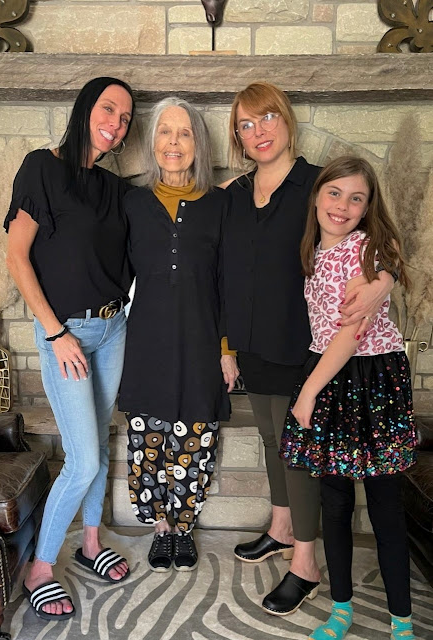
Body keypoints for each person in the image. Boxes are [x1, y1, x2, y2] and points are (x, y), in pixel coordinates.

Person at [222, 82, 396, 614]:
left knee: (296, 452)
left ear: (286, 119)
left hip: (301, 344)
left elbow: (379, 236)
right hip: (251, 343)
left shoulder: (316, 184)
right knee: (271, 439)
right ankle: (280, 529)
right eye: (246, 125)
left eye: (267, 118)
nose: (258, 132)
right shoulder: (235, 193)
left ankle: (305, 564)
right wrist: (225, 346)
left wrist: (384, 280)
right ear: (237, 136)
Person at [4, 77, 135, 621]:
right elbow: (17, 256)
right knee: (83, 460)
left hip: (113, 329)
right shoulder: (42, 167)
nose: (116, 123)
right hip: (67, 335)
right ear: (85, 108)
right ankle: (40, 568)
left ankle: (90, 542)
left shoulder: (116, 189)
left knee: (98, 444)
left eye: (126, 118)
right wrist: (56, 334)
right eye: (109, 109)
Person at [280, 155, 417, 640]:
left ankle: (402, 620)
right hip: (328, 373)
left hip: (370, 379)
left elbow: (351, 333)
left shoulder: (366, 252)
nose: (342, 206)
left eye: (356, 198)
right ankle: (341, 607)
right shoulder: (314, 250)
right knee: (333, 502)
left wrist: (307, 394)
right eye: (334, 193)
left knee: (384, 506)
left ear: (367, 207)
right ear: (317, 196)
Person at [119, 97, 239, 573]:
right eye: (165, 132)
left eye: (184, 133)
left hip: (202, 340)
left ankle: (184, 527)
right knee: (147, 439)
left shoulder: (220, 205)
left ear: (198, 144)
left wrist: (227, 350)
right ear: (152, 143)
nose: (174, 142)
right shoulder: (131, 203)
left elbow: (228, 281)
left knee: (195, 438)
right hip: (145, 342)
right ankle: (160, 527)